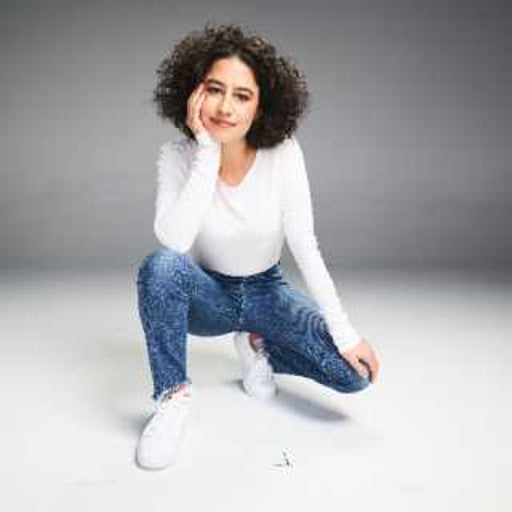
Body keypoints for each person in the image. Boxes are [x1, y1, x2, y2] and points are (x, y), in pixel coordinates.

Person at [135, 22, 380, 470]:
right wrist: (206, 152)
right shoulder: (176, 157)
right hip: (209, 296)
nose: (225, 107)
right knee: (161, 267)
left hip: (268, 292)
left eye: (242, 95)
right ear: (194, 92)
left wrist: (346, 334)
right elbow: (175, 240)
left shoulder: (282, 153)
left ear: (261, 106)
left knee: (354, 375)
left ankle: (256, 345)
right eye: (214, 89)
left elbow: (305, 244)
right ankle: (172, 399)